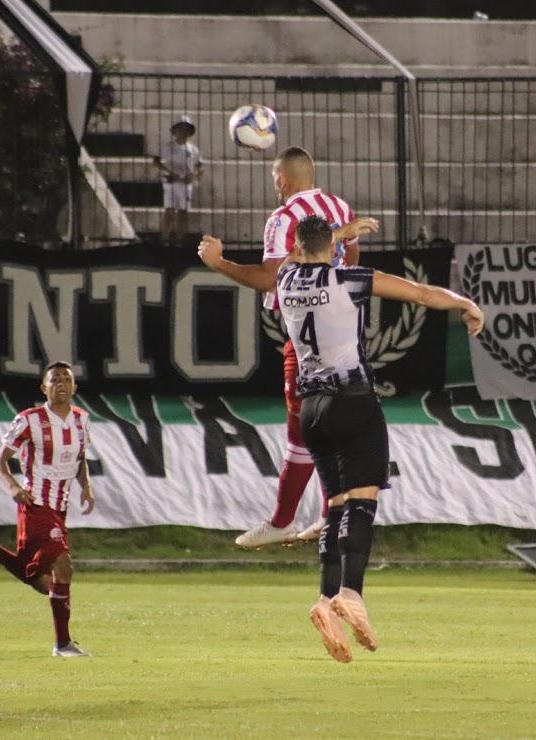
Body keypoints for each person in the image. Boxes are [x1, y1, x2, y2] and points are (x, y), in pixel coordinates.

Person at [203, 215, 483, 663]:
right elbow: (423, 294)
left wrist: (334, 236)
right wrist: (464, 302)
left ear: (294, 248)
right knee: (362, 501)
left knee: (334, 506)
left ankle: (324, 597)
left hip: (310, 409)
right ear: (332, 250)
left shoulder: (286, 278)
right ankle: (351, 592)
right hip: (352, 399)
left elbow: (304, 250)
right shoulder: (350, 279)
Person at [197, 146, 380, 549]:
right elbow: (351, 258)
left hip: (306, 337)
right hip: (343, 332)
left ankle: (291, 519)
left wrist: (219, 263)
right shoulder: (338, 206)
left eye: (274, 181)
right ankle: (321, 518)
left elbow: (268, 278)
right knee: (321, 424)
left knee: (305, 428)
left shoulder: (283, 218)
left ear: (281, 180)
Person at [0, 361, 95, 658]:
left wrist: (86, 486)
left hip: (60, 505)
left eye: (66, 379)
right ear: (44, 388)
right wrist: (12, 487)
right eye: (54, 379)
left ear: (74, 387)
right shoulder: (29, 420)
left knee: (39, 578)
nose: (60, 383)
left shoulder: (82, 420)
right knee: (64, 566)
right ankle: (63, 644)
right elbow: (0, 459)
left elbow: (80, 458)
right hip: (35, 503)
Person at [153, 114, 203, 247]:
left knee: (183, 212)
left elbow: (199, 166)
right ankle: (164, 239)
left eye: (186, 129)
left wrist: (193, 175)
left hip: (185, 184)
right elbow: (157, 161)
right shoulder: (168, 147)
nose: (183, 132)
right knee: (169, 210)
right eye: (181, 128)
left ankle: (180, 240)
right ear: (175, 130)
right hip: (170, 182)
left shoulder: (193, 149)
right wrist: (170, 173)